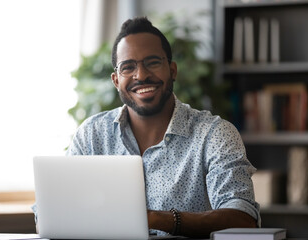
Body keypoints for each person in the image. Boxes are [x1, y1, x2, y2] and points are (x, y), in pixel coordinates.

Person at [66, 17, 260, 238]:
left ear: (172, 70)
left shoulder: (215, 134)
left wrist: (157, 219)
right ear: (116, 80)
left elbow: (242, 219)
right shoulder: (91, 135)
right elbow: (54, 211)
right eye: (128, 67)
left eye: (153, 62)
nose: (141, 75)